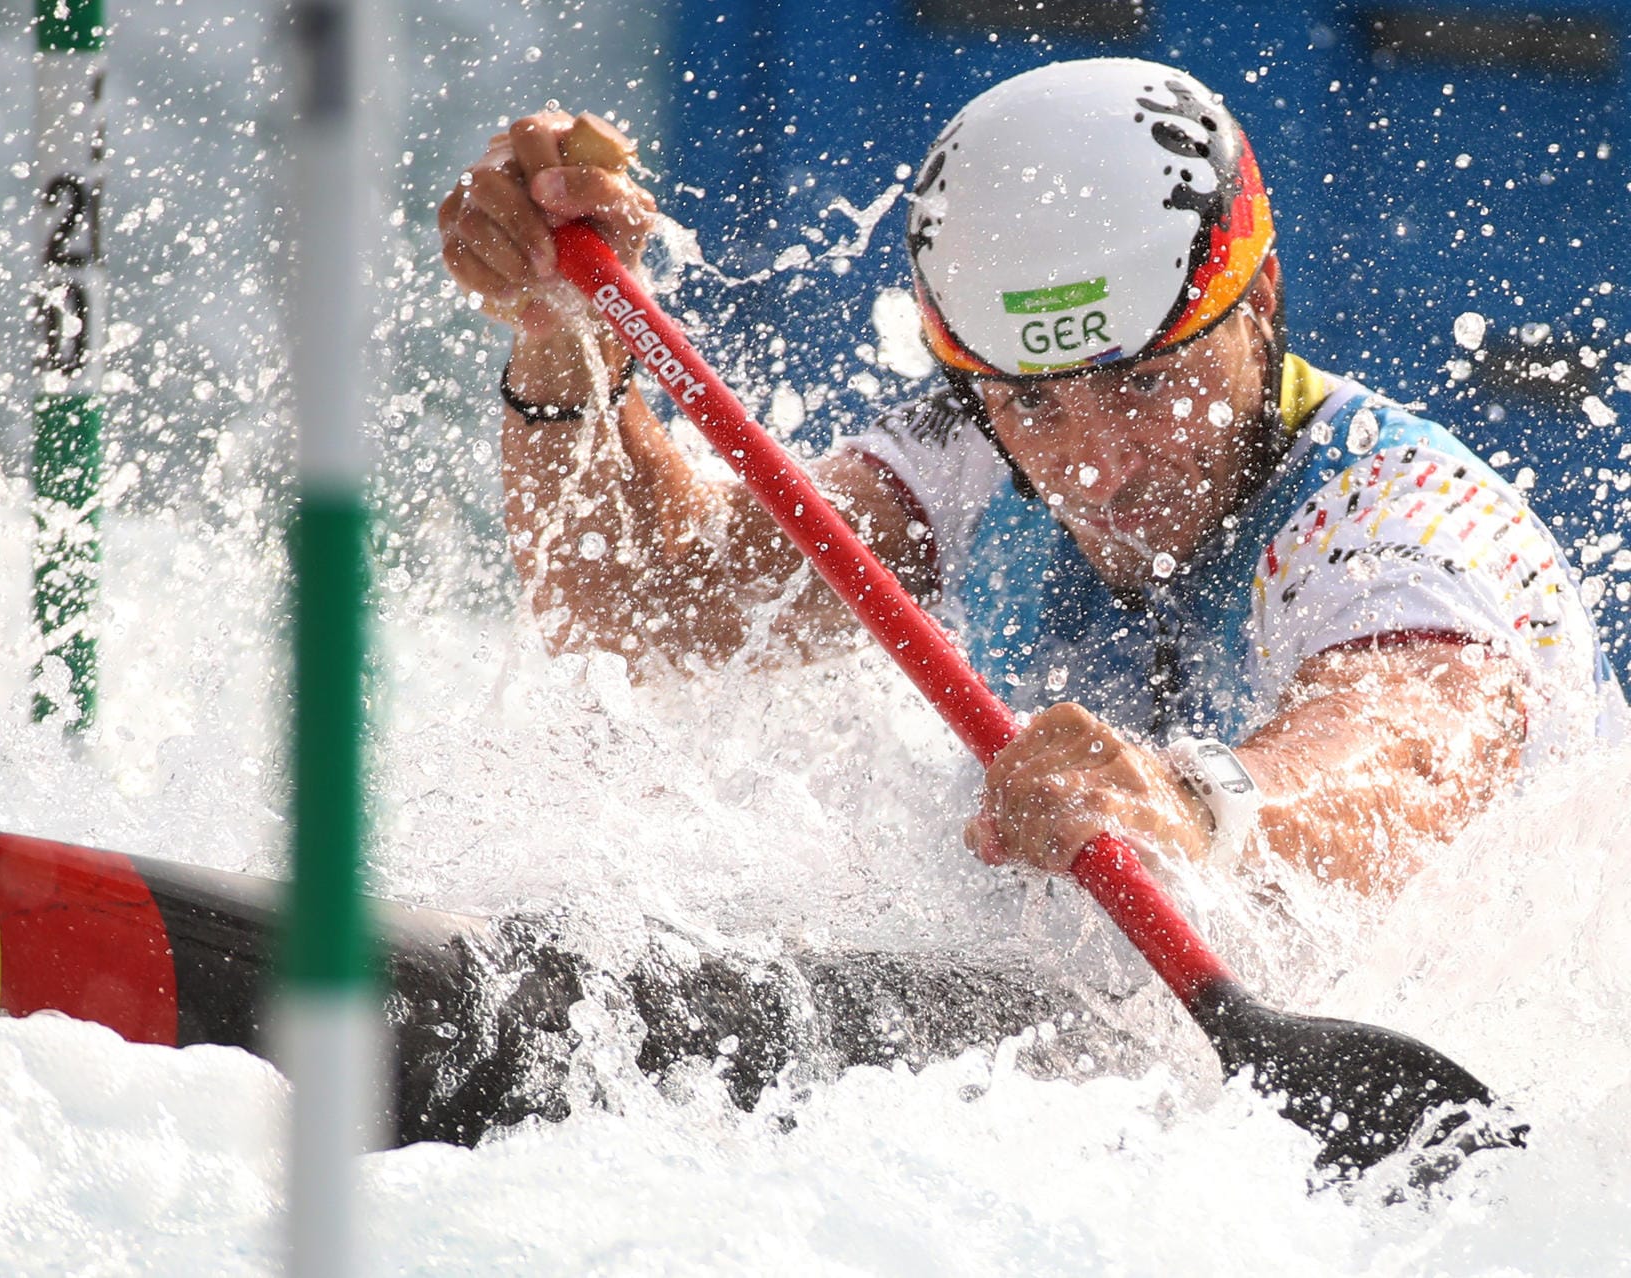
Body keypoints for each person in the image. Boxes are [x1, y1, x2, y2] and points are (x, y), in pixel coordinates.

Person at [438, 58, 1625, 895]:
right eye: (1034, 401)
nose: (1092, 466)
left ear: (1258, 302)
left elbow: (1417, 750)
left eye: (1147, 383)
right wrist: (565, 340)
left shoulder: (1408, 517)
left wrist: (1201, 807)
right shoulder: (972, 447)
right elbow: (643, 609)